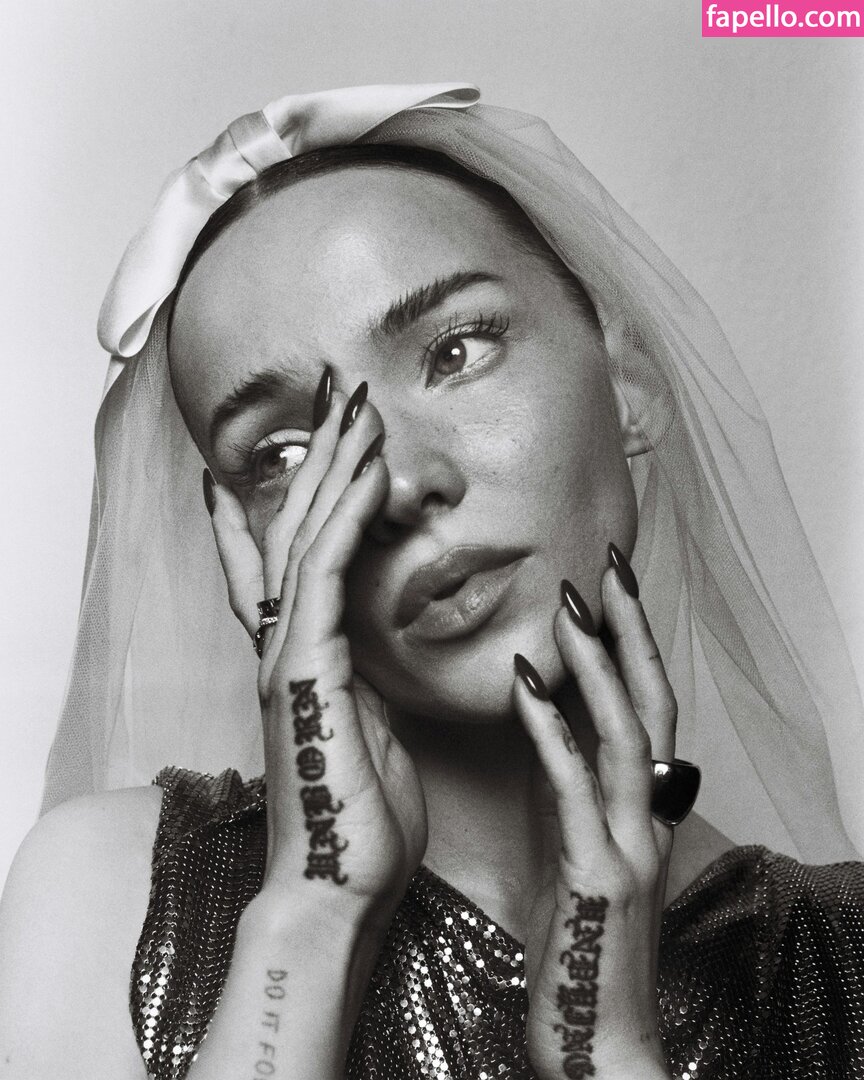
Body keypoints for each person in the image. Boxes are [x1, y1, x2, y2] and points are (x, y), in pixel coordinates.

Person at [0, 83, 862, 1080]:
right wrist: (316, 915)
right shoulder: (107, 892)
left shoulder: (846, 958)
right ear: (245, 541)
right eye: (285, 454)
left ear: (628, 382)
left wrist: (603, 1054)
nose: (402, 483)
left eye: (455, 352)